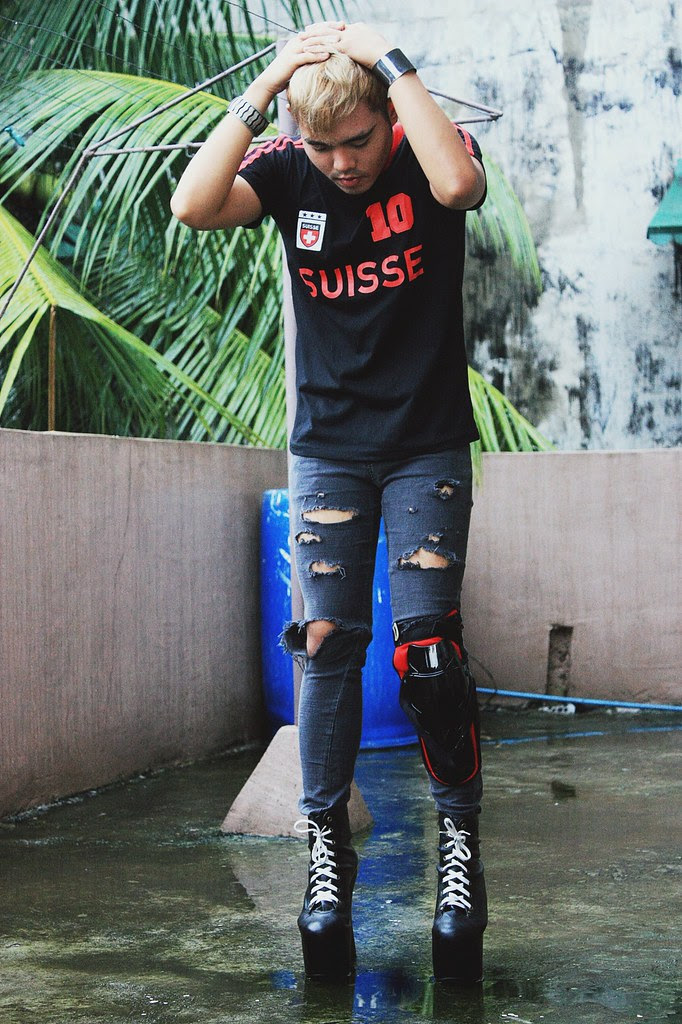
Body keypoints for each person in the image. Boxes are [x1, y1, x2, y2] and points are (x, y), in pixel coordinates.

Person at [171, 21, 488, 984]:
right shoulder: (286, 172)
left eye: (357, 141)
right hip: (330, 454)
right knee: (326, 645)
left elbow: (460, 188)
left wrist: (391, 63)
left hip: (425, 446)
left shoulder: (426, 148)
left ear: (386, 117)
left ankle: (460, 847)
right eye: (324, 147)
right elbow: (193, 203)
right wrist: (272, 79)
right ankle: (325, 850)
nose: (343, 164)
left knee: (429, 650)